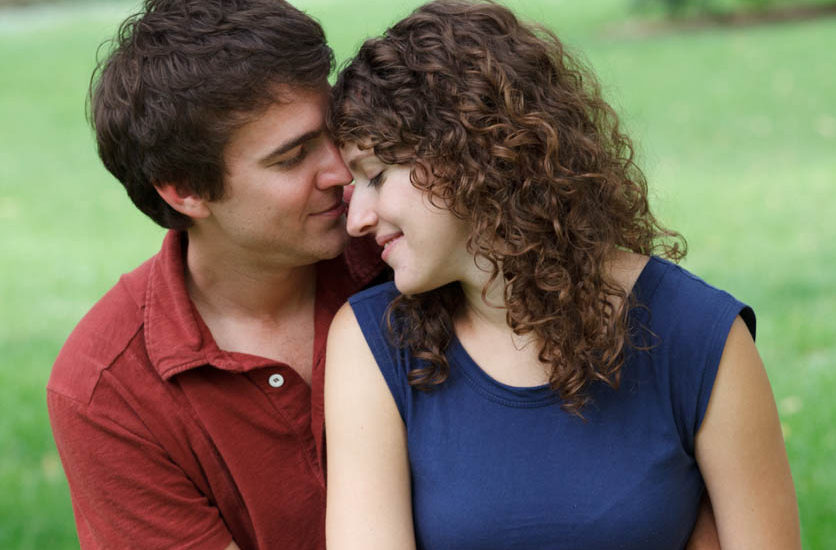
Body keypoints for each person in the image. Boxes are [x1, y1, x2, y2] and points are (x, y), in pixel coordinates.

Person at [324, 1, 801, 549]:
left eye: (377, 176)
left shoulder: (698, 338)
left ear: (470, 152)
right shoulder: (375, 344)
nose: (356, 219)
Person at [46, 1, 384, 548]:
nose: (344, 172)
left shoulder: (405, 254)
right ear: (185, 190)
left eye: (335, 131)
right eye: (292, 157)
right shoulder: (106, 390)